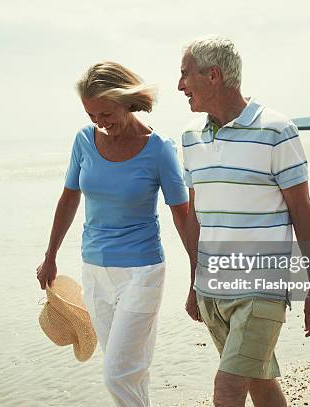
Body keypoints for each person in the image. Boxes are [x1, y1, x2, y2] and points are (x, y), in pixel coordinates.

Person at [177, 36, 310, 406]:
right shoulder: (190, 139)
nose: (179, 85)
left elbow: (303, 213)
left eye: (185, 75)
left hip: (262, 288)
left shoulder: (277, 130)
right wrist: (194, 282)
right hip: (213, 290)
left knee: (227, 390)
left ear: (213, 75)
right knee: (258, 384)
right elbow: (197, 218)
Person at [36, 61, 189, 407]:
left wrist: (198, 273)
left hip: (142, 273)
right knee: (131, 371)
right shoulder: (83, 141)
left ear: (128, 101)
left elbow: (182, 215)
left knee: (116, 373)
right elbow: (69, 197)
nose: (101, 124)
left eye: (106, 113)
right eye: (93, 116)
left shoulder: (160, 149)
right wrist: (50, 256)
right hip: (94, 271)